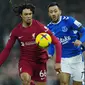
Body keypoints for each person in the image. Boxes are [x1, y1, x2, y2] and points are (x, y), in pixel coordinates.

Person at [0, 3, 62, 85]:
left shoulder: (40, 27)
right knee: (26, 80)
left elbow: (57, 43)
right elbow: (7, 49)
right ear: (21, 16)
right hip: (26, 61)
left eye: (30, 14)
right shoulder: (16, 31)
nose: (28, 16)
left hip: (40, 62)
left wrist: (58, 62)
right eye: (26, 14)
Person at [47, 2, 85, 85]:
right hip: (63, 59)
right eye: (51, 12)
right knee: (63, 82)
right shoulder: (48, 28)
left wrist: (80, 41)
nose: (53, 13)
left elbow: (84, 31)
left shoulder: (69, 20)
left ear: (60, 11)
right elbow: (51, 44)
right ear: (48, 14)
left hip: (77, 58)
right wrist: (50, 54)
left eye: (55, 11)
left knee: (78, 83)